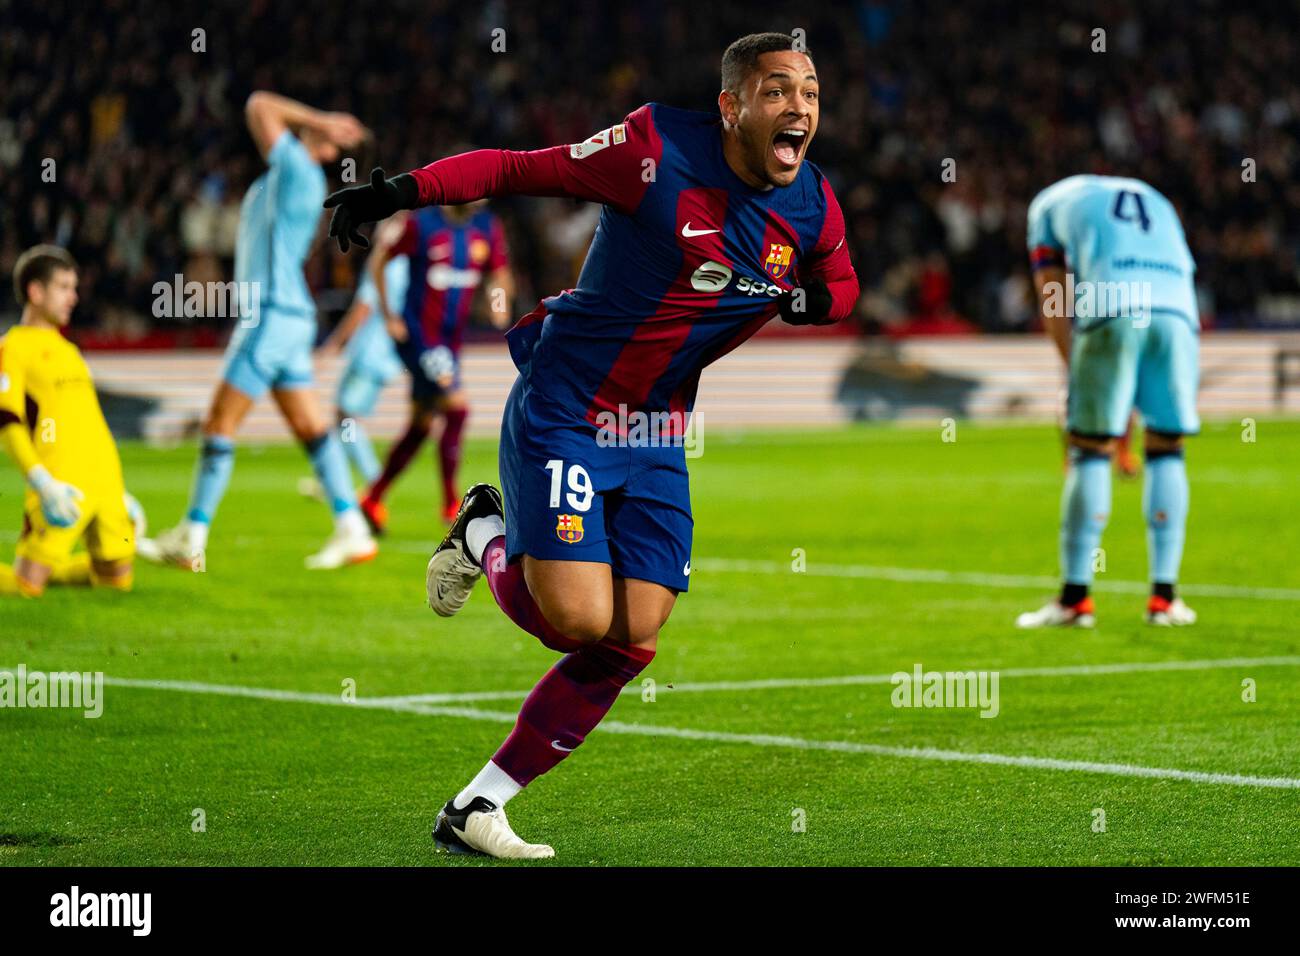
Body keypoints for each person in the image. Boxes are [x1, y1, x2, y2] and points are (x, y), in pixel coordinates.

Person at [325, 32, 858, 858]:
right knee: (577, 621)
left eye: (812, 94)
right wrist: (397, 191)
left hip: (657, 429)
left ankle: (477, 807)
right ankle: (483, 535)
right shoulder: (652, 151)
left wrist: (804, 308)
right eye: (778, 91)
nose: (800, 108)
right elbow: (513, 169)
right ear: (731, 106)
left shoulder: (812, 203)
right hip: (569, 404)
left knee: (634, 633)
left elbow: (843, 284)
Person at [150, 92, 378, 571]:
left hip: (271, 315)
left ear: (331, 146)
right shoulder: (289, 174)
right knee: (312, 429)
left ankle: (190, 537)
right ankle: (353, 527)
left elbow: (256, 105)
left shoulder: (298, 169)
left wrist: (322, 117)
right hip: (288, 316)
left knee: (219, 424)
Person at [1017, 175, 1199, 629]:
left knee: (1090, 451)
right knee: (1166, 446)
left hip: (1113, 306)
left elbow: (1054, 294)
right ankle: (1165, 598)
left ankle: (1075, 599)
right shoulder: (1155, 195)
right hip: (1180, 313)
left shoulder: (1046, 204)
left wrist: (1071, 369)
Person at [359, 200, 513, 531]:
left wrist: (498, 304)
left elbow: (499, 274)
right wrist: (389, 316)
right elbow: (380, 260)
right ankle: (449, 504)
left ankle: (372, 498)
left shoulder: (486, 228)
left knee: (421, 425)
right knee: (457, 409)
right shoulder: (422, 225)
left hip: (450, 343)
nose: (482, 196)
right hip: (419, 336)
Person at [0, 245, 135, 597]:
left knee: (116, 580)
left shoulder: (70, 351)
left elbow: (89, 420)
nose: (73, 297)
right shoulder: (13, 348)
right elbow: (7, 420)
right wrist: (42, 482)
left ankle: (57, 570)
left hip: (104, 480)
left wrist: (119, 487)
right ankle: (45, 569)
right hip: (61, 484)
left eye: (74, 288)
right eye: (64, 287)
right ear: (35, 291)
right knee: (27, 585)